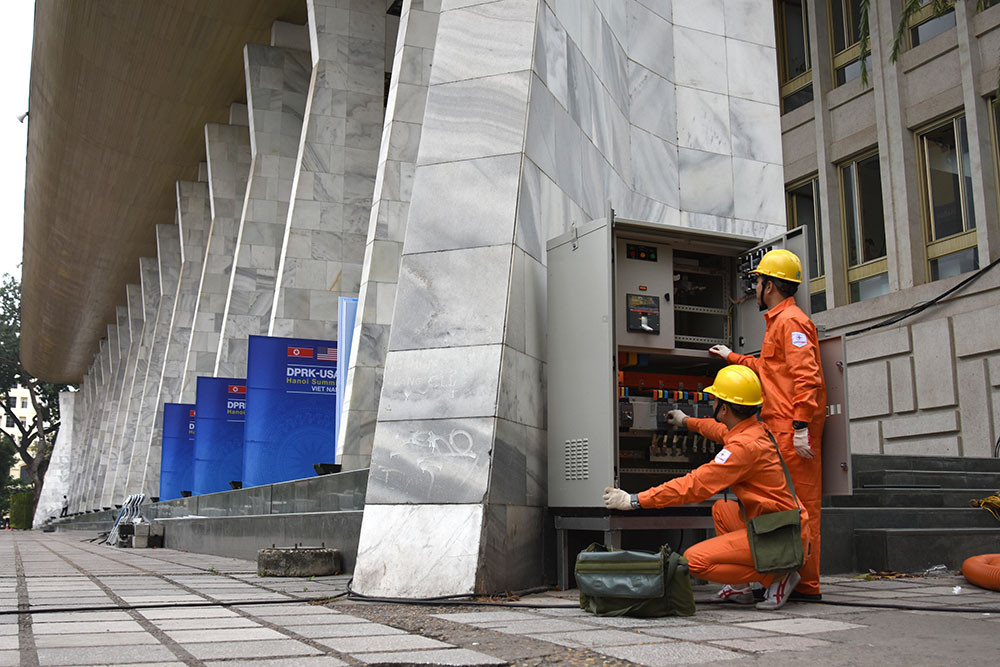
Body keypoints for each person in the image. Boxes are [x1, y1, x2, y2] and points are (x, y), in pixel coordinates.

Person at [604, 365, 810, 610]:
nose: (711, 402)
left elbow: (694, 485)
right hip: (780, 522)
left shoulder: (742, 449)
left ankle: (776, 576)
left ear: (723, 408)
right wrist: (686, 420)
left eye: (714, 399)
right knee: (722, 509)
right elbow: (718, 429)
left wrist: (635, 500)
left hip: (779, 534)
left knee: (693, 560)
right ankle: (740, 588)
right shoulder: (753, 430)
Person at [704, 248, 826, 601]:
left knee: (798, 512)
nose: (754, 287)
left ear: (769, 285)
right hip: (780, 432)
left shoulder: (793, 322)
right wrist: (733, 358)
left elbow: (808, 378)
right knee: (773, 510)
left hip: (791, 433)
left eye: (757, 281)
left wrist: (801, 425)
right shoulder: (780, 322)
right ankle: (776, 576)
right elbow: (770, 372)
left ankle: (804, 584)